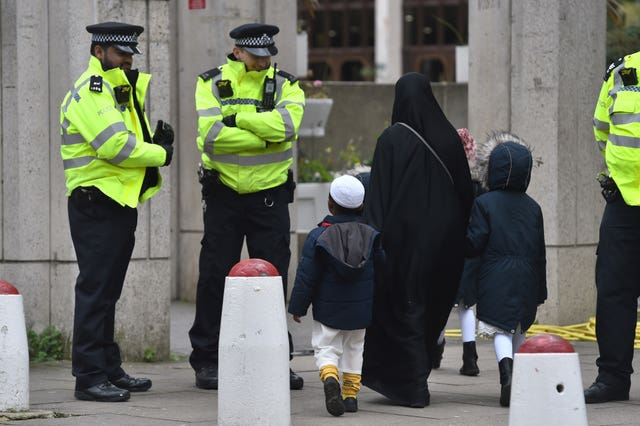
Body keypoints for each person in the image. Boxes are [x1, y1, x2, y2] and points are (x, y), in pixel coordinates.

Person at [59, 21, 174, 402]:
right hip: (96, 202)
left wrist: (151, 142)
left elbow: (127, 139)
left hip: (115, 202)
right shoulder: (91, 92)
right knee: (95, 290)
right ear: (99, 52)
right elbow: (114, 146)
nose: (128, 59)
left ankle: (108, 368)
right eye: (121, 53)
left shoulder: (114, 88)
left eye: (130, 53)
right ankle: (89, 377)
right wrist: (160, 153)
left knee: (107, 291)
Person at [189, 23, 305, 391]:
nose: (263, 61)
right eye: (256, 55)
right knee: (213, 277)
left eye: (268, 54)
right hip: (223, 193)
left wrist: (237, 120)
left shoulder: (287, 84)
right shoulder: (210, 83)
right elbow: (210, 136)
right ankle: (207, 360)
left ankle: (275, 360)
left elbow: (286, 128)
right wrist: (262, 134)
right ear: (237, 51)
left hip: (269, 196)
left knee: (272, 280)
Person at [361, 72, 474, 408]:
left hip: (404, 243)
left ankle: (410, 386)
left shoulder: (391, 139)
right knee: (432, 308)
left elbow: (378, 198)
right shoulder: (449, 137)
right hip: (447, 245)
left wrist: (371, 242)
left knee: (404, 307)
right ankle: (418, 375)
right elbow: (466, 193)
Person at [288, 175, 383, 417]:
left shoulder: (318, 236)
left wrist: (298, 306)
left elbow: (306, 276)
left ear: (330, 204)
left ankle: (331, 379)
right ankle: (351, 396)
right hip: (361, 312)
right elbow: (383, 270)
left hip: (328, 311)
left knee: (326, 348)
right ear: (362, 206)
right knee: (355, 349)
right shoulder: (371, 235)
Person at [465, 131, 547, 407]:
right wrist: (540, 290)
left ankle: (506, 374)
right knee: (519, 328)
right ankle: (519, 381)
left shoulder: (484, 204)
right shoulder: (533, 208)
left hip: (494, 277)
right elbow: (540, 252)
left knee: (499, 329)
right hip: (527, 277)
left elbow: (475, 242)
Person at [584, 52, 640, 404]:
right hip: (623, 201)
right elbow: (601, 128)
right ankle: (612, 378)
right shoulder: (622, 69)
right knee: (613, 291)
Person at [432, 128, 481, 377]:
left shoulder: (444, 178)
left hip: (445, 246)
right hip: (469, 249)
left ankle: (436, 348)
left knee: (439, 301)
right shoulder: (477, 184)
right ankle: (470, 356)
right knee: (465, 306)